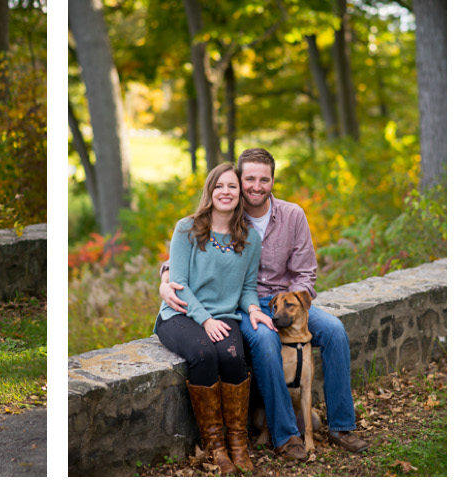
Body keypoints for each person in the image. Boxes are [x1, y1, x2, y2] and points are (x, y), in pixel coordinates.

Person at [160, 148, 369, 458]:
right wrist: (164, 281)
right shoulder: (228, 211)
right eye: (249, 179)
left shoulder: (293, 215)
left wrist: (294, 307)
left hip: (289, 302)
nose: (256, 186)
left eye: (264, 179)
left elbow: (306, 272)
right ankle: (285, 436)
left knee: (335, 331)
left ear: (273, 181)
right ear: (239, 181)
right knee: (265, 340)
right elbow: (186, 253)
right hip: (244, 304)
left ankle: (341, 426)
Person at [154, 162, 267, 474]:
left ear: (240, 193)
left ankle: (238, 444)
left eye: (232, 186)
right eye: (220, 186)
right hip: (179, 314)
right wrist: (204, 319)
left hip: (224, 316)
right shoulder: (186, 228)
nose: (226, 192)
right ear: (210, 190)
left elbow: (246, 288)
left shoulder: (249, 238)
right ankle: (215, 446)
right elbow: (178, 284)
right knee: (204, 355)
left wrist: (254, 309)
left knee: (232, 357)